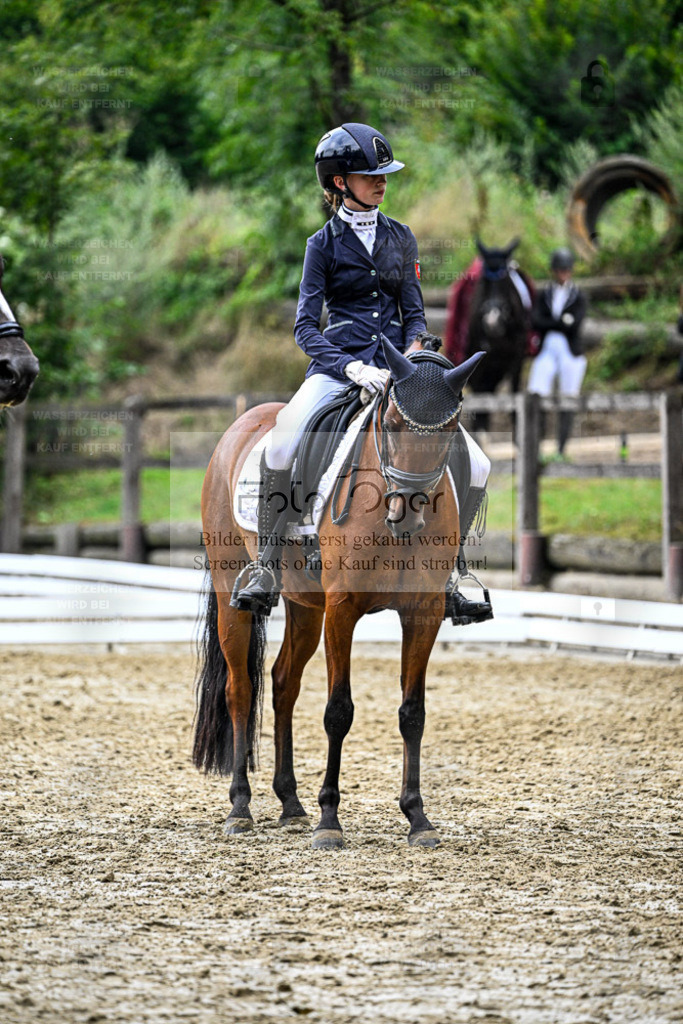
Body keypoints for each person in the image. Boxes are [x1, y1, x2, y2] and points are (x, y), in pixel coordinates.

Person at [232, 122, 493, 625]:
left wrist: (415, 350)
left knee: (477, 462)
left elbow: (413, 311)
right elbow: (306, 327)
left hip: (400, 370)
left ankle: (455, 572)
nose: (381, 182)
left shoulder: (401, 237)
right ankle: (266, 565)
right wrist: (348, 365)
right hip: (339, 367)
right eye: (368, 175)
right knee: (285, 437)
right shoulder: (322, 245)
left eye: (383, 175)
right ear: (337, 183)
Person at [527, 248, 587, 459]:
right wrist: (561, 321)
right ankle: (536, 447)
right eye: (559, 270)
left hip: (569, 349)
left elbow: (576, 323)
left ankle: (561, 448)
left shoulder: (578, 295)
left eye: (566, 270)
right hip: (547, 347)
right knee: (537, 391)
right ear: (554, 271)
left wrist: (552, 323)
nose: (563, 274)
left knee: (568, 395)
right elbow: (536, 321)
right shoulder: (544, 294)